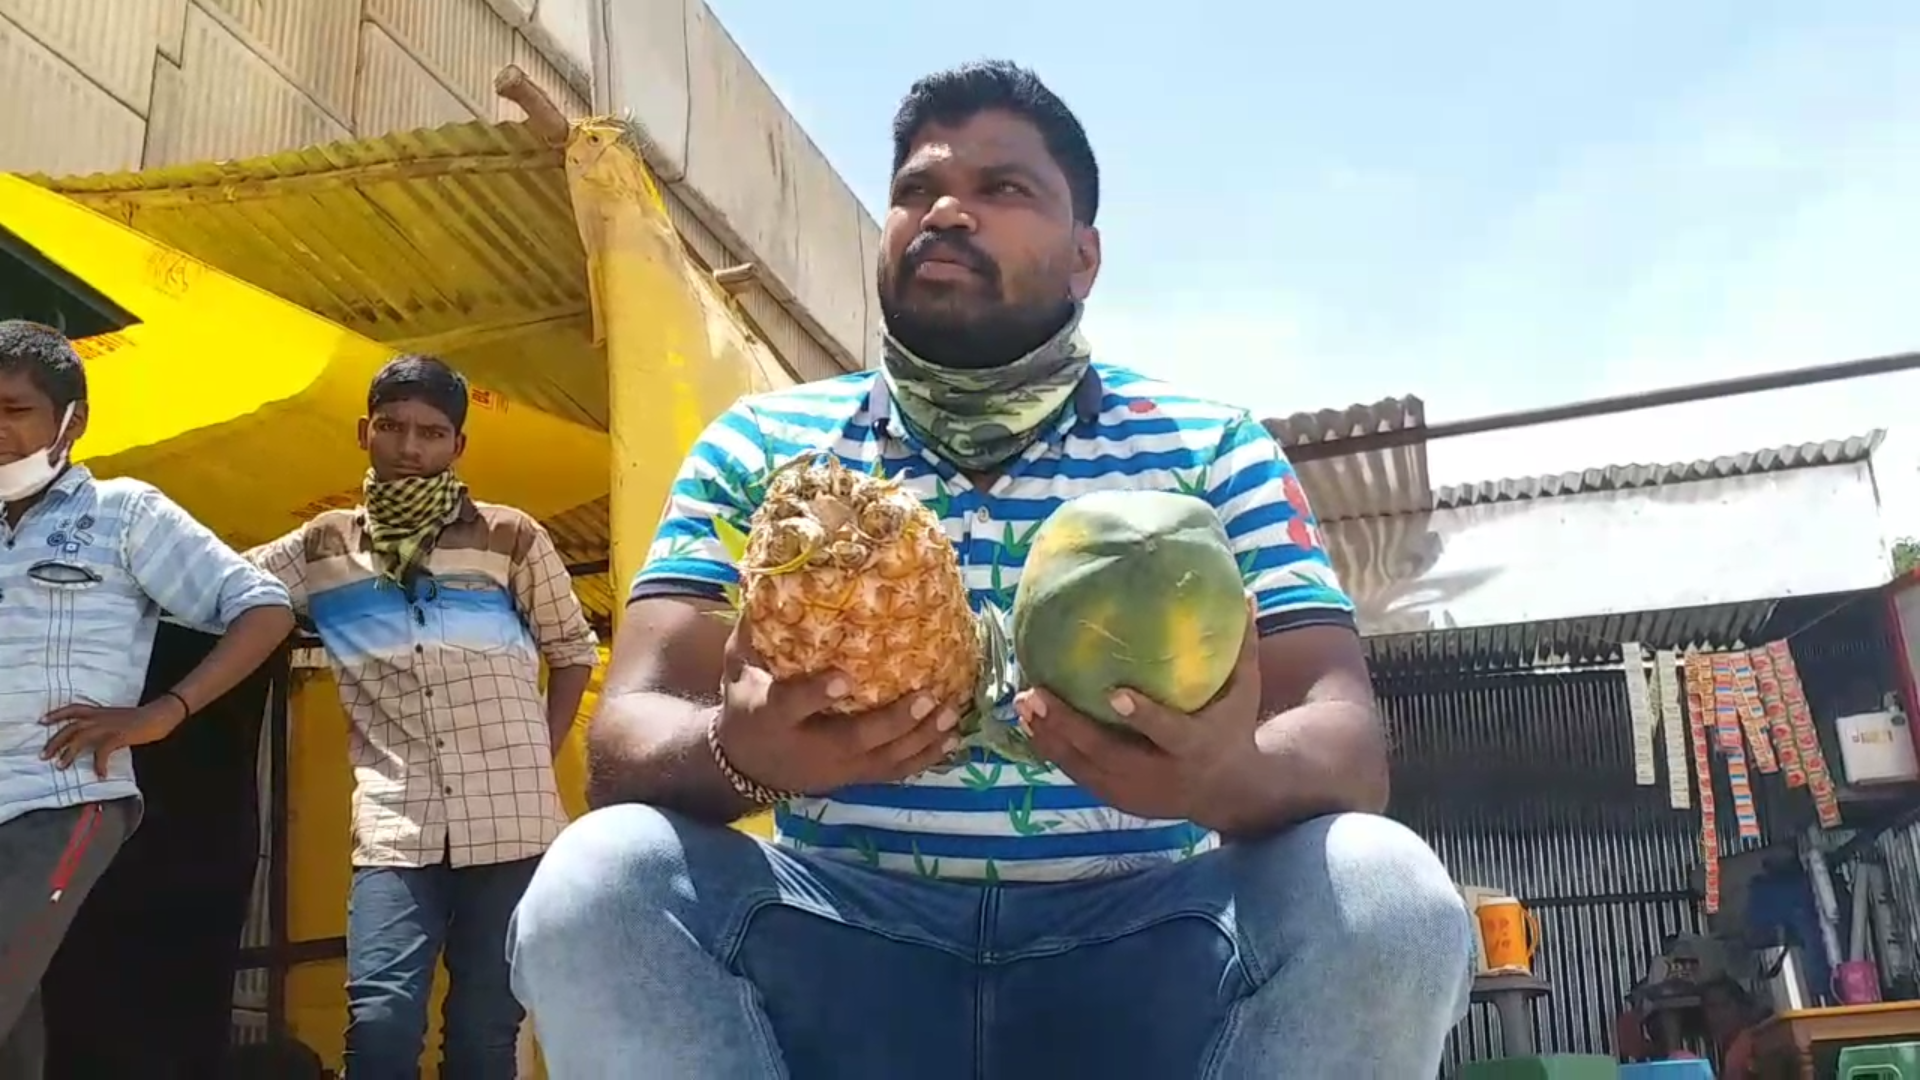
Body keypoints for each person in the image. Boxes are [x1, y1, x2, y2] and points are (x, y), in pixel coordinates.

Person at [507, 62, 1474, 1079]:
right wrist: (743, 753)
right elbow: (625, 739)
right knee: (599, 881)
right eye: (917, 190)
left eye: (1004, 190)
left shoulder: (1208, 450)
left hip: (1144, 950)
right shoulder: (762, 447)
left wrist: (1230, 778)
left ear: (1084, 256)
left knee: (1387, 895)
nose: (946, 214)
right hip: (838, 940)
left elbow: (1345, 739)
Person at [247, 355, 599, 1080]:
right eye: (393, 428)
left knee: (483, 1031)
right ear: (364, 432)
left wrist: (542, 747)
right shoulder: (321, 549)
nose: (411, 448)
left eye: (433, 434)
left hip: (515, 825)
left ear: (458, 447)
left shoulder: (511, 538)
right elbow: (214, 582)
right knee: (378, 1023)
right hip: (394, 826)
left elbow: (572, 651)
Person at [0, 320, 295, 1078]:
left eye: (14, 409)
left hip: (61, 799)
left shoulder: (123, 513)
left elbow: (263, 607)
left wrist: (165, 711)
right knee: (15, 1032)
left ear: (73, 420)